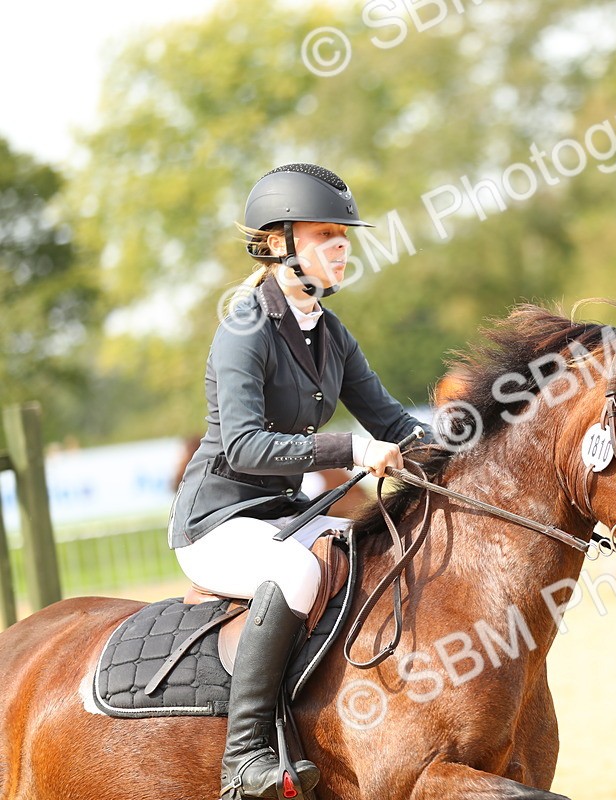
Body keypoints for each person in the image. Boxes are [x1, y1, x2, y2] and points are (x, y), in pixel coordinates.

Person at [168, 163, 423, 799]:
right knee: (297, 573)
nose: (342, 246)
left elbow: (393, 420)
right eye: (325, 234)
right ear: (280, 243)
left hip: (286, 517)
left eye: (344, 234)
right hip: (219, 522)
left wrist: (485, 440)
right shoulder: (244, 327)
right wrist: (350, 447)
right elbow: (246, 445)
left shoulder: (332, 334)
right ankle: (245, 758)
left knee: (377, 547)